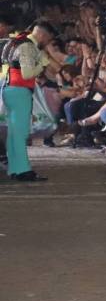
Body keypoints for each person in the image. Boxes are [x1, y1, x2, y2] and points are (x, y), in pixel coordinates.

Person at [2, 21, 59, 181]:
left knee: (14, 133)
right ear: (42, 34)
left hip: (11, 90)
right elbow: (27, 74)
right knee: (20, 133)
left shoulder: (18, 42)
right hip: (19, 91)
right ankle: (23, 171)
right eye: (48, 39)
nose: (47, 43)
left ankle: (15, 169)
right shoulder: (27, 46)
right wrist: (41, 64)